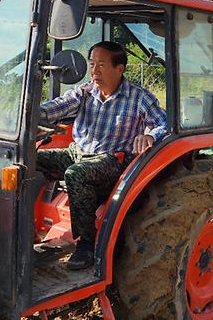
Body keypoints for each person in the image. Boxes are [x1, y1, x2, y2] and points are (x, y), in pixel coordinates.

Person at [37, 41, 167, 270]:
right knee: (29, 158)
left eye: (101, 65)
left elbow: (164, 124)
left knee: (76, 174)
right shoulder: (84, 92)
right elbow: (55, 108)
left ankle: (87, 244)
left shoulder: (139, 98)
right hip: (78, 153)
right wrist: (30, 113)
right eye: (91, 64)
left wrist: (150, 137)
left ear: (120, 68)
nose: (94, 71)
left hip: (112, 160)